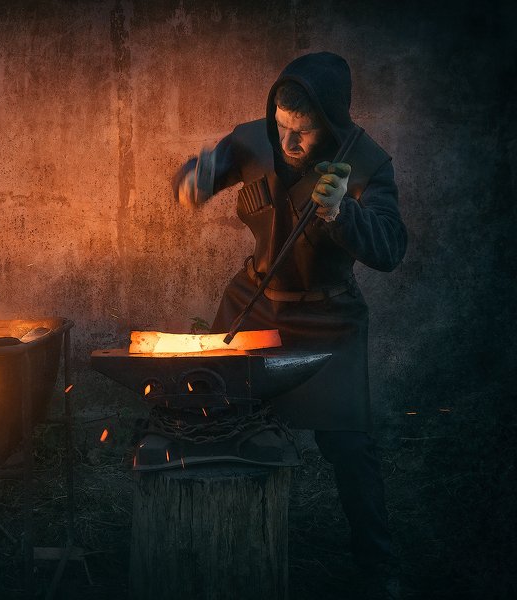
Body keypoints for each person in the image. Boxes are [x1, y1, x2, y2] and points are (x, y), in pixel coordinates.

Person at [174, 52, 407, 595]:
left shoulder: (369, 164)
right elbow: (210, 169)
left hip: (329, 318)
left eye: (301, 132)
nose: (288, 143)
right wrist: (196, 176)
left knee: (349, 446)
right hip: (254, 301)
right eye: (281, 126)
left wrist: (343, 214)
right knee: (206, 410)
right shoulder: (256, 138)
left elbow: (392, 247)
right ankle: (211, 544)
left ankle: (379, 566)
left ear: (330, 123)